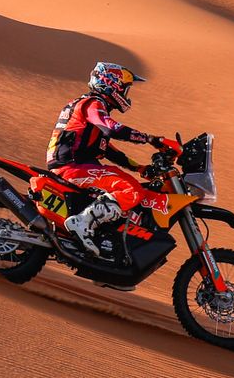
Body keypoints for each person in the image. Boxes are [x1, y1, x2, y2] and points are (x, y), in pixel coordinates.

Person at [42, 62, 169, 257]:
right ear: (111, 84)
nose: (126, 94)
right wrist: (150, 139)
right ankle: (82, 223)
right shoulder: (93, 104)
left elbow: (108, 150)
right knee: (132, 190)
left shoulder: (89, 107)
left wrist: (139, 167)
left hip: (74, 166)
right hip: (73, 167)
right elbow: (112, 129)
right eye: (125, 88)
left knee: (120, 189)